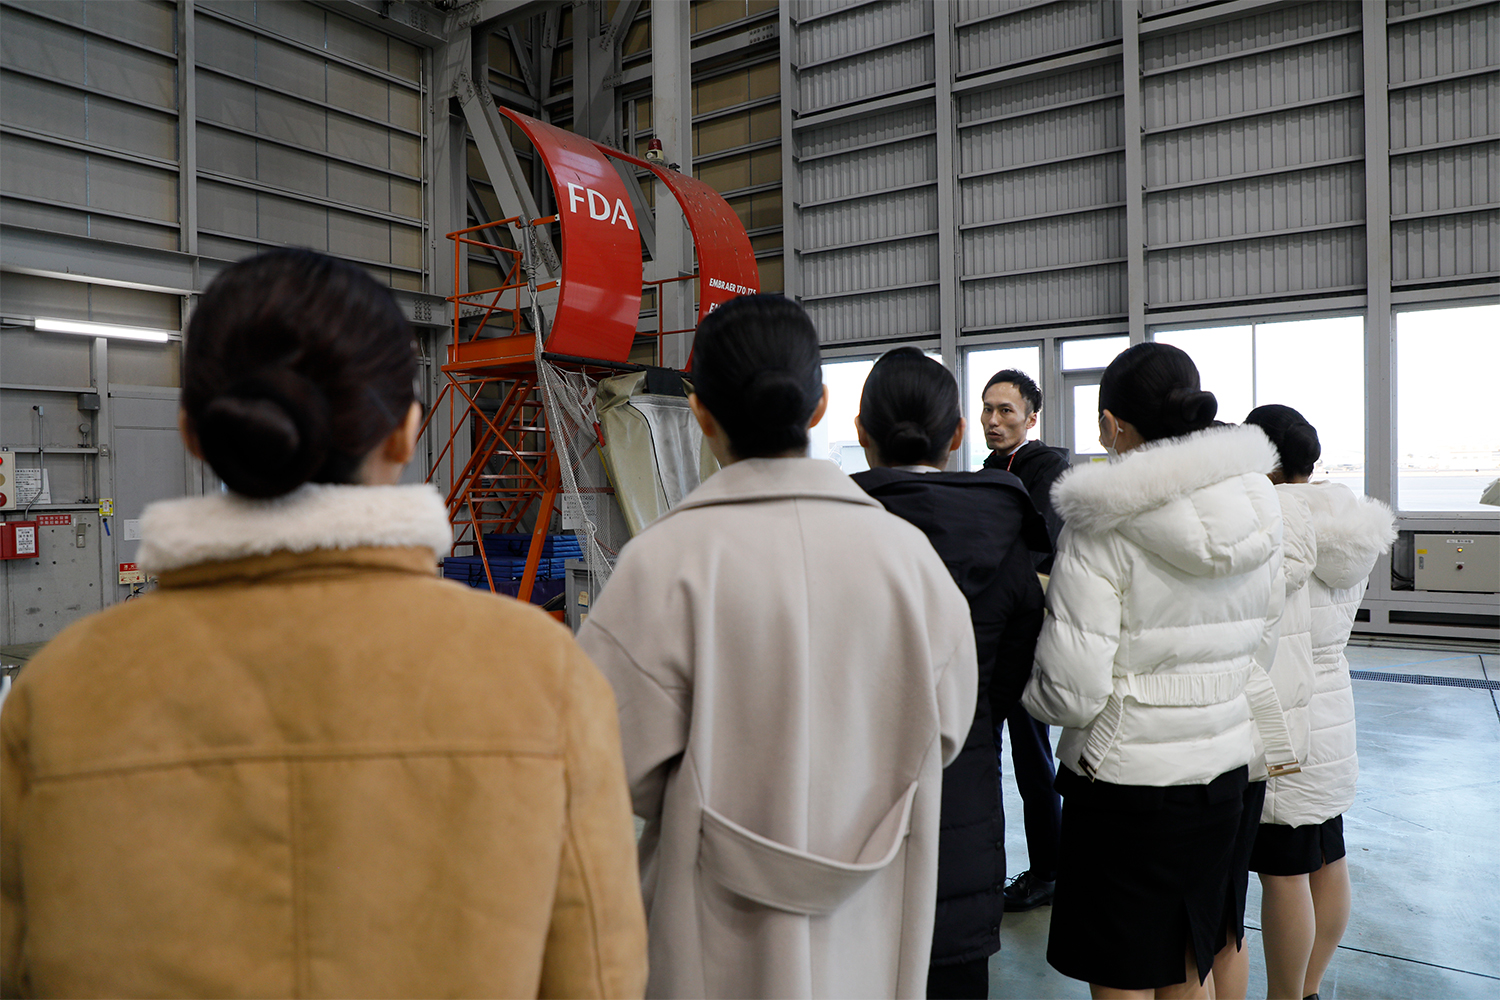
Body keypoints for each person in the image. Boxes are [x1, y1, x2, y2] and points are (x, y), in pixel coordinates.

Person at [0, 249, 648, 998]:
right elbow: (598, 976)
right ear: (406, 432)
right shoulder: (543, 674)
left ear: (193, 433)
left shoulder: (60, 691)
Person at [577, 296, 977, 999]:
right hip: (870, 916)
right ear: (819, 406)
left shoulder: (663, 563)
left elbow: (608, 754)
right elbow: (943, 731)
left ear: (700, 414)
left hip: (710, 922)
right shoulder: (908, 559)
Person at [1022, 342, 1285, 1000]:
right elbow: (1266, 638)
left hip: (1126, 782)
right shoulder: (1258, 504)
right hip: (1225, 772)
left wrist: (1027, 688)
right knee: (1191, 956)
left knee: (1123, 971)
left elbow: (1073, 693)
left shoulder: (1099, 523)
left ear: (1111, 425)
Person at [850, 348, 1050, 998]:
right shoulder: (1007, 533)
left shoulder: (834, 533)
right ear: (959, 433)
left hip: (849, 813)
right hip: (964, 798)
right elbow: (1014, 669)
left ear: (861, 431)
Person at [1245, 405, 1396, 1000]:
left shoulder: (1273, 522)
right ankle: (1307, 989)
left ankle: (1286, 997)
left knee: (1284, 873)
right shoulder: (1347, 522)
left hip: (1284, 717)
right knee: (1328, 857)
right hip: (1333, 709)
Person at [979, 369, 1067, 912]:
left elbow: (1038, 548)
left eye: (1006, 410)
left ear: (1031, 418)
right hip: (990, 634)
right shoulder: (987, 472)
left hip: (1028, 636)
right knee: (983, 756)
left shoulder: (1047, 469)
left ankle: (1049, 870)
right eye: (987, 409)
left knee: (1033, 758)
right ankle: (983, 870)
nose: (993, 420)